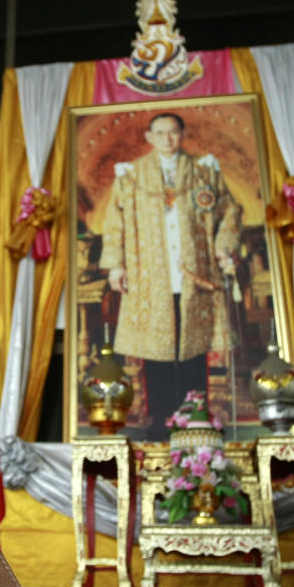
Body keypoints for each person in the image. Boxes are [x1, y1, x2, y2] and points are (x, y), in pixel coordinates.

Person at [98, 113, 241, 433]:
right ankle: (162, 422)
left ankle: (196, 422)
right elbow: (114, 222)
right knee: (156, 350)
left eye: (173, 132)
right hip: (150, 277)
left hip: (195, 276)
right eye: (160, 133)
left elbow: (230, 210)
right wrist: (116, 266)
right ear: (149, 137)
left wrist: (223, 246)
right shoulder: (131, 175)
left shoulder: (205, 171)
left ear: (183, 134)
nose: (167, 138)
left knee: (194, 348)